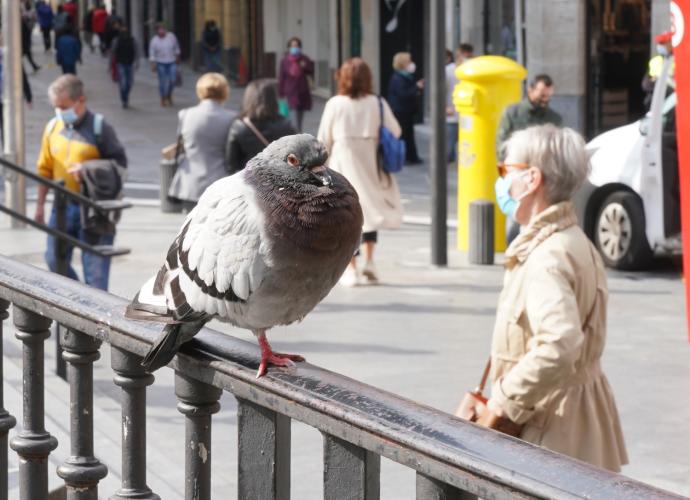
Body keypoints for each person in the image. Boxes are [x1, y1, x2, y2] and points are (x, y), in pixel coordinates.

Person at [470, 124, 628, 472]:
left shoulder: (547, 256)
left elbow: (559, 343)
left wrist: (503, 401)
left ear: (531, 179)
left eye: (505, 170)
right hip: (576, 420)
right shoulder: (573, 240)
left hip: (551, 428)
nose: (502, 181)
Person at [35, 75, 127, 291]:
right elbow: (44, 169)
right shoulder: (52, 127)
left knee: (95, 276)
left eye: (64, 106)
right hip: (61, 208)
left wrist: (86, 170)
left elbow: (120, 165)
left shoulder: (99, 127)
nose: (59, 111)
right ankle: (79, 303)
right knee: (53, 260)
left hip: (94, 210)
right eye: (55, 107)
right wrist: (40, 205)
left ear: (81, 101)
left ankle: (92, 314)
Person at [317, 58, 403, 286]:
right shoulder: (378, 103)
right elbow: (396, 129)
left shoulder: (335, 104)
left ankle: (351, 269)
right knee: (370, 213)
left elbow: (323, 140)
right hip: (371, 162)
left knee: (347, 217)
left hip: (342, 164)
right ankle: (371, 261)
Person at [168, 73, 235, 212]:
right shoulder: (232, 118)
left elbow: (183, 144)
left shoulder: (185, 114)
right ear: (224, 92)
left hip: (190, 182)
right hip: (220, 181)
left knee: (191, 228)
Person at [226, 79, 295, 174]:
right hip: (279, 181)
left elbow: (231, 164)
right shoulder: (286, 125)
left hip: (249, 181)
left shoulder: (239, 126)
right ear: (273, 100)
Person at [496, 74, 562, 155]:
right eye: (542, 95)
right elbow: (501, 143)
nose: (545, 100)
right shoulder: (512, 113)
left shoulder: (555, 119)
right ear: (530, 90)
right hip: (516, 164)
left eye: (549, 96)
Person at [387, 51, 423, 165]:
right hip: (401, 111)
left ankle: (412, 156)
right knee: (404, 135)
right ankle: (406, 157)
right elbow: (403, 94)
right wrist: (416, 87)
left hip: (406, 110)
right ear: (403, 63)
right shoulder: (398, 78)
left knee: (409, 135)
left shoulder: (405, 76)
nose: (412, 64)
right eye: (409, 61)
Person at [278, 37, 314, 132]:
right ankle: (296, 133)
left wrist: (304, 66)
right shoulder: (285, 60)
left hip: (302, 90)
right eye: (293, 46)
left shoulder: (304, 59)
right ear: (289, 47)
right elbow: (282, 76)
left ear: (300, 47)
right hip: (290, 91)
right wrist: (280, 92)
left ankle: (298, 131)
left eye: (297, 46)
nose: (295, 47)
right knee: (293, 115)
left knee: (300, 115)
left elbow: (311, 70)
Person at [446, 43, 473, 162]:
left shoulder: (472, 70)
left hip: (468, 114)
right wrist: (444, 107)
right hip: (452, 113)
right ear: (459, 56)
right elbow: (440, 90)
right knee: (450, 144)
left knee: (466, 144)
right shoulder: (448, 71)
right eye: (465, 57)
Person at [149, 24, 181, 107]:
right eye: (159, 29)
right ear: (156, 31)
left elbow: (176, 47)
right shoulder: (154, 41)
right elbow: (152, 53)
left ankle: (168, 94)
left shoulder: (171, 37)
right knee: (162, 82)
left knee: (173, 80)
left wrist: (177, 56)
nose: (162, 31)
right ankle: (163, 97)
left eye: (163, 29)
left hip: (172, 61)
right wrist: (153, 63)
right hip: (160, 63)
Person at [642, 31, 675, 108]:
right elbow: (646, 84)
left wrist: (657, 81)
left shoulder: (681, 61)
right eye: (660, 43)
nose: (660, 46)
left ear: (672, 43)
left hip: (672, 103)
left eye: (663, 43)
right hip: (656, 103)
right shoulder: (655, 61)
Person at [111, 25, 139, 108]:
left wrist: (137, 62)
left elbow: (137, 51)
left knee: (130, 83)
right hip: (121, 64)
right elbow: (113, 52)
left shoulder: (133, 40)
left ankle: (125, 97)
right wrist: (111, 65)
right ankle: (124, 100)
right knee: (123, 83)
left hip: (130, 64)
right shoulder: (116, 40)